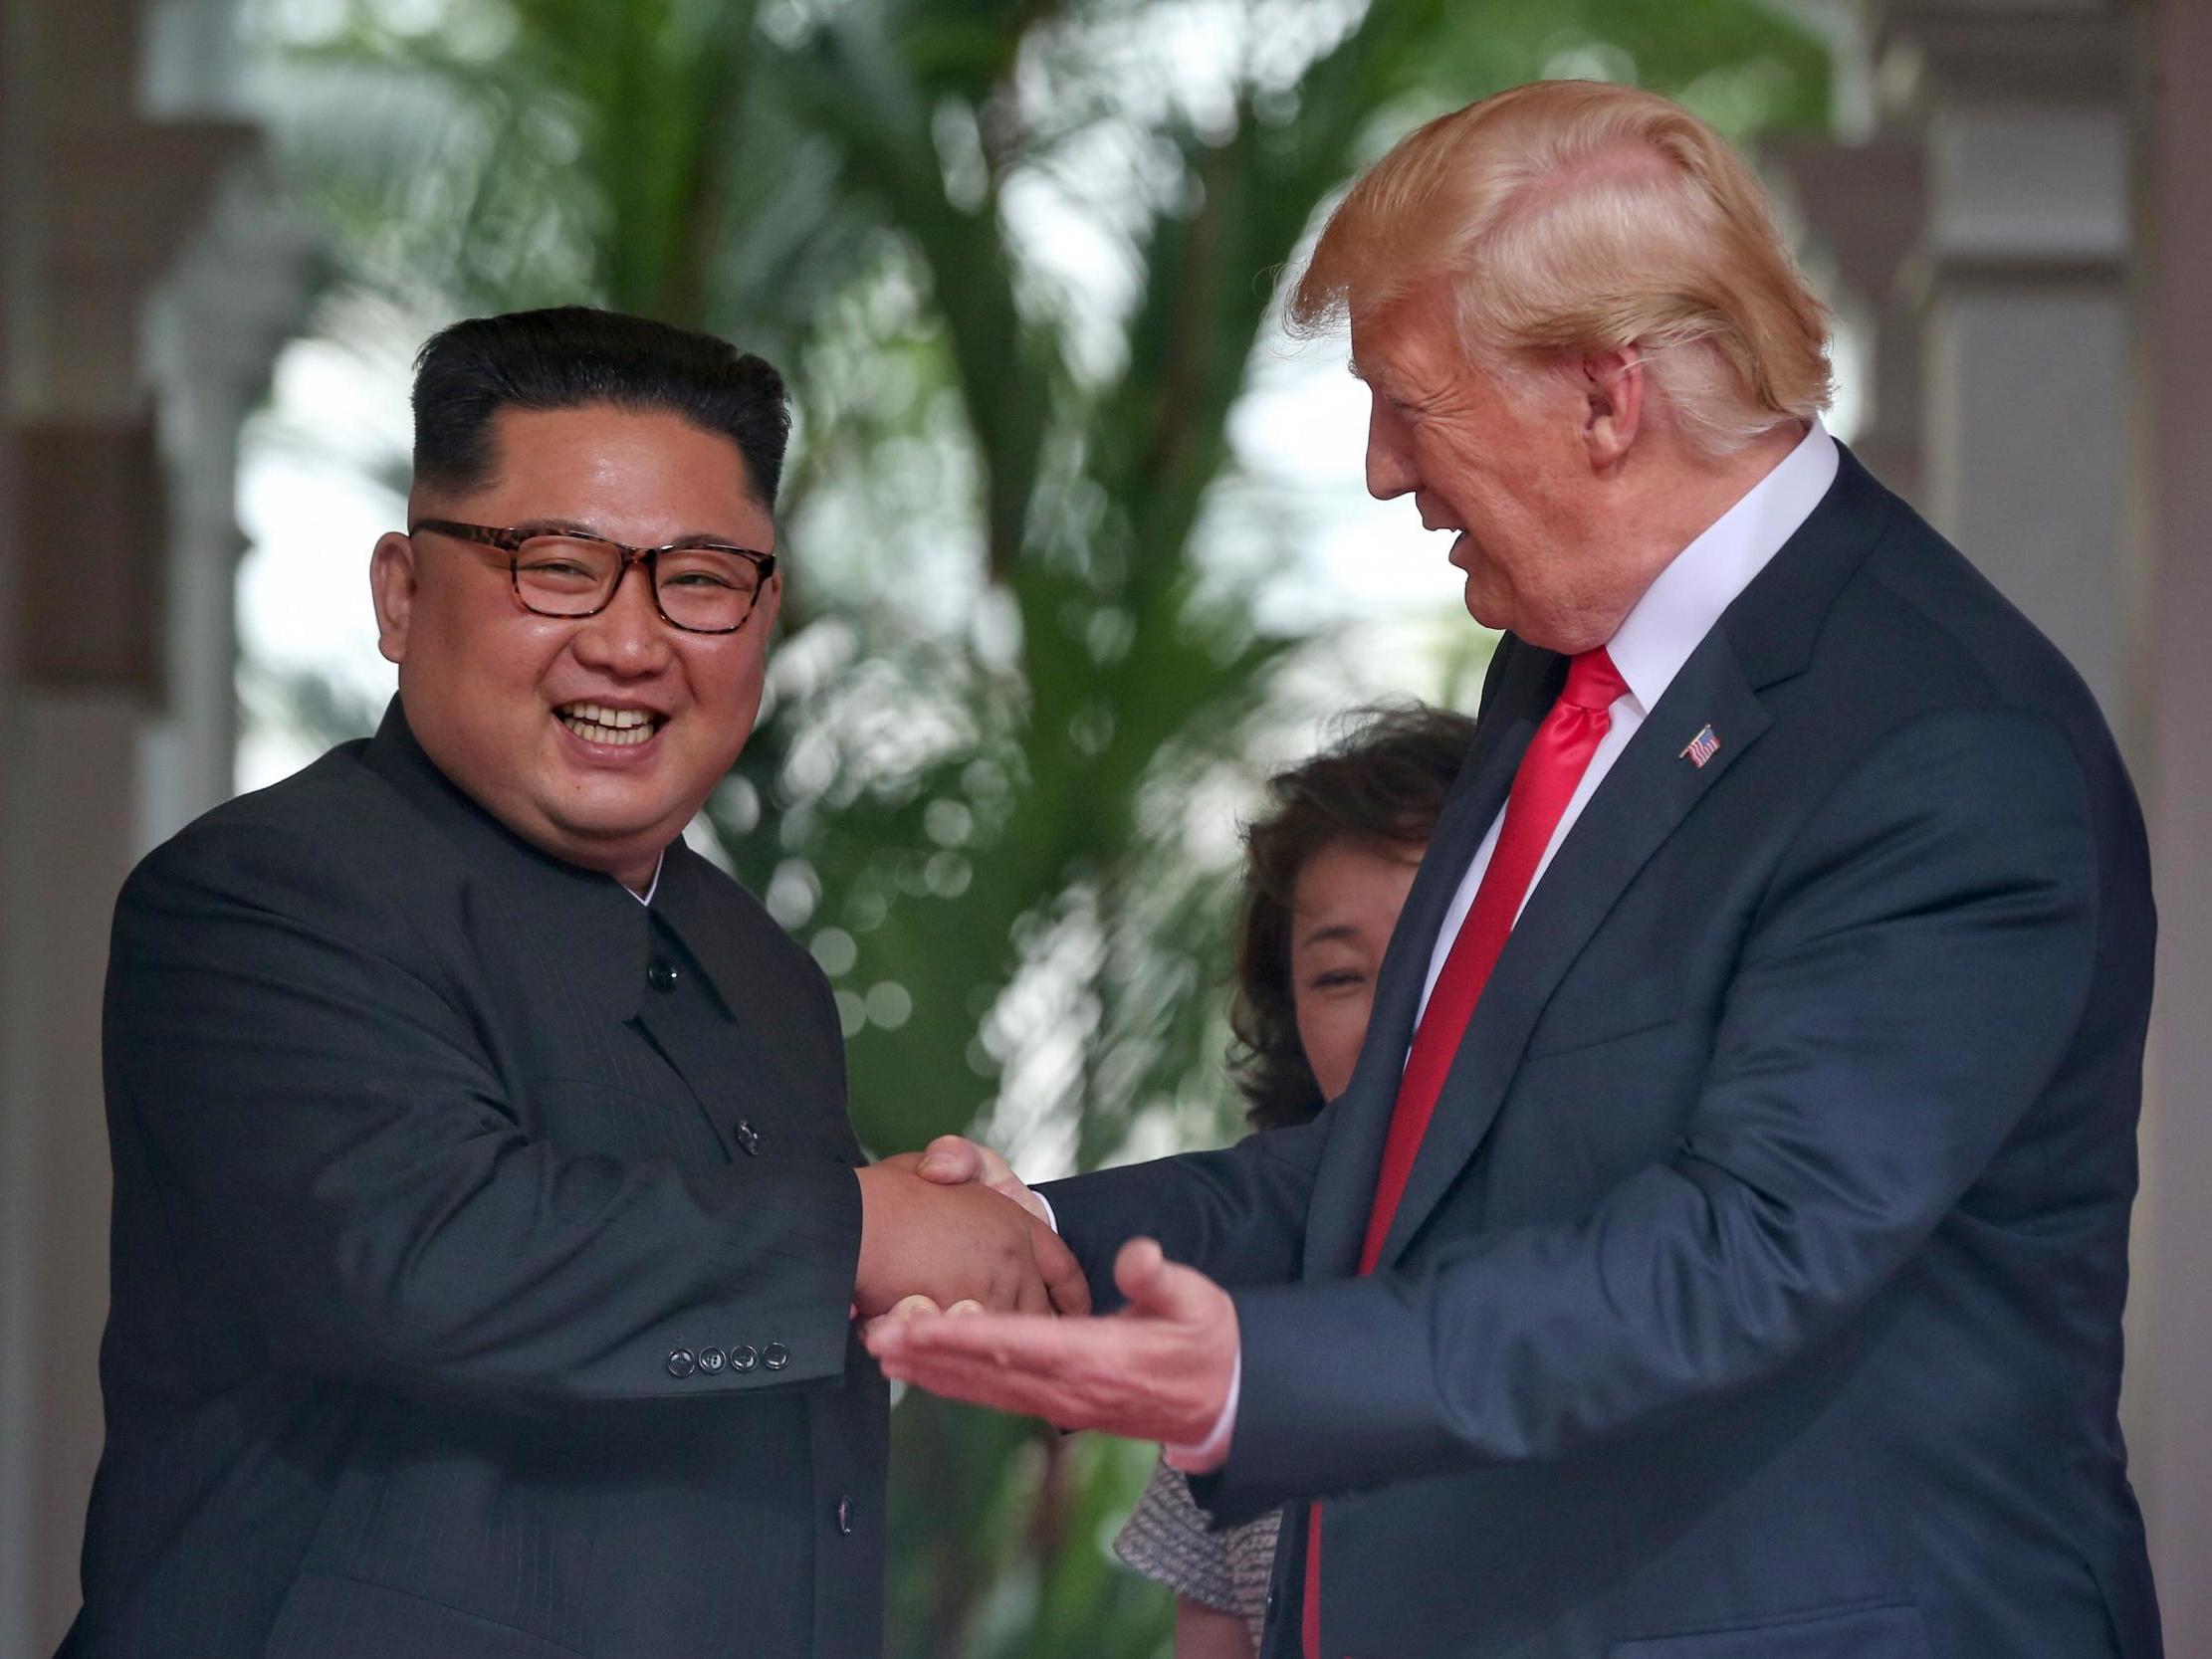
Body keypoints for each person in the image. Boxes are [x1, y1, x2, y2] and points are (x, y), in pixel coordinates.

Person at [872, 81, 2162, 1659]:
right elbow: (1423, 1166)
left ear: (1607, 396)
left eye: (1409, 399)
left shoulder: (1937, 739)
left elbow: (1744, 1247)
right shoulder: (1560, 673)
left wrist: (1254, 1378)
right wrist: (1039, 1237)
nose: (1377, 469)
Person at [61, 306, 1083, 1659]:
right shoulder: (266, 895)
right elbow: (430, 1255)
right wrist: (859, 1232)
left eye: (702, 578)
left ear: (765, 615)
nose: (629, 642)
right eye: (559, 566)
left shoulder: (758, 966)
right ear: (402, 593)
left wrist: (928, 1246)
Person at [1112, 706, 1476, 1657]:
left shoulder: (1649, 1263)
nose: (1398, 1015)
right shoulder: (1241, 1311)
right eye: (1342, 979)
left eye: (1444, 954)